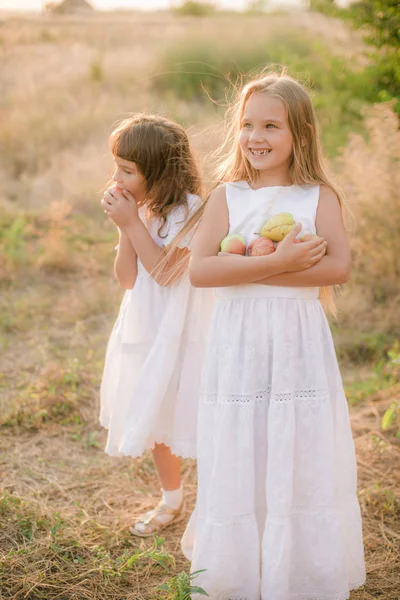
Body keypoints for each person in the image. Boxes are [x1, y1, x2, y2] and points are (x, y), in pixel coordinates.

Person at [181, 72, 366, 600]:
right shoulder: (227, 196)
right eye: (246, 125)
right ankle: (240, 569)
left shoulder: (317, 197)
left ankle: (298, 569)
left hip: (294, 343)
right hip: (238, 344)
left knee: (294, 440)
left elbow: (339, 268)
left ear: (299, 134)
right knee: (244, 439)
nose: (255, 137)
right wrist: (279, 261)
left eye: (270, 126)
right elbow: (199, 271)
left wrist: (265, 267)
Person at [100, 114, 213, 538]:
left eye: (127, 170)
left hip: (183, 330)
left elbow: (166, 273)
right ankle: (172, 498)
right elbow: (128, 278)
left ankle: (216, 502)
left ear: (160, 171)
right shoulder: (140, 210)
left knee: (193, 411)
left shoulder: (192, 212)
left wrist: (131, 223)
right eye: (117, 167)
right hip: (145, 326)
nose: (116, 178)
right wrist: (127, 227)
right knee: (158, 413)